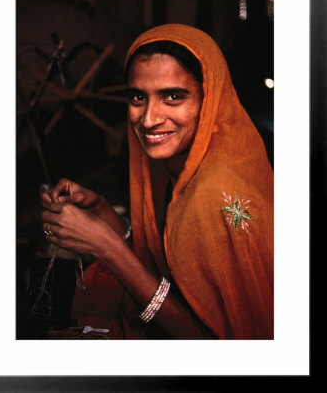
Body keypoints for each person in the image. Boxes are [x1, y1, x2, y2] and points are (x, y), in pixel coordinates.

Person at [41, 24, 274, 340]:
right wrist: (103, 212)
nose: (149, 118)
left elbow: (224, 351)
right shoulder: (179, 167)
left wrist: (109, 249)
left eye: (173, 97)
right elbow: (173, 261)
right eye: (138, 96)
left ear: (210, 99)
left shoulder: (217, 194)